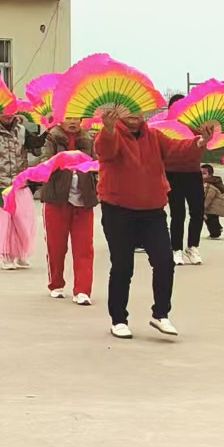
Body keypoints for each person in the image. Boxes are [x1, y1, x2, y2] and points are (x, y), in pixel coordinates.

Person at [91, 104, 206, 339]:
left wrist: (200, 141)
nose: (134, 115)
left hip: (153, 211)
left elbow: (177, 150)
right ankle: (118, 319)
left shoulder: (154, 135)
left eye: (138, 110)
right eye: (128, 110)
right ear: (119, 112)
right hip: (118, 210)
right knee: (122, 266)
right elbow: (105, 152)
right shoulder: (111, 133)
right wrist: (108, 128)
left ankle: (161, 314)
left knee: (164, 262)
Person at [33, 119, 95, 304]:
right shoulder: (51, 138)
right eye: (69, 117)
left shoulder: (89, 139)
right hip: (56, 199)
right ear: (61, 119)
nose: (73, 121)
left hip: (83, 200)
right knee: (56, 246)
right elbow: (44, 163)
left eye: (76, 118)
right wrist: (62, 160)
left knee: (84, 247)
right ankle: (56, 283)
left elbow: (98, 165)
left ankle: (82, 290)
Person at [163, 93, 207, 266]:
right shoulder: (164, 128)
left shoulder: (195, 126)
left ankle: (193, 246)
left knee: (197, 211)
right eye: (175, 107)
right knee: (177, 213)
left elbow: (202, 146)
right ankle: (176, 249)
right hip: (172, 173)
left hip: (192, 172)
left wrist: (204, 136)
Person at [201, 163, 224, 239]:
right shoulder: (214, 183)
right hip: (216, 206)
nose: (201, 175)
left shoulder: (208, 185)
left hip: (213, 207)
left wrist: (202, 208)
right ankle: (218, 228)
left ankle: (215, 234)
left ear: (210, 175)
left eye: (204, 173)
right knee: (214, 219)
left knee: (210, 220)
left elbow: (207, 198)